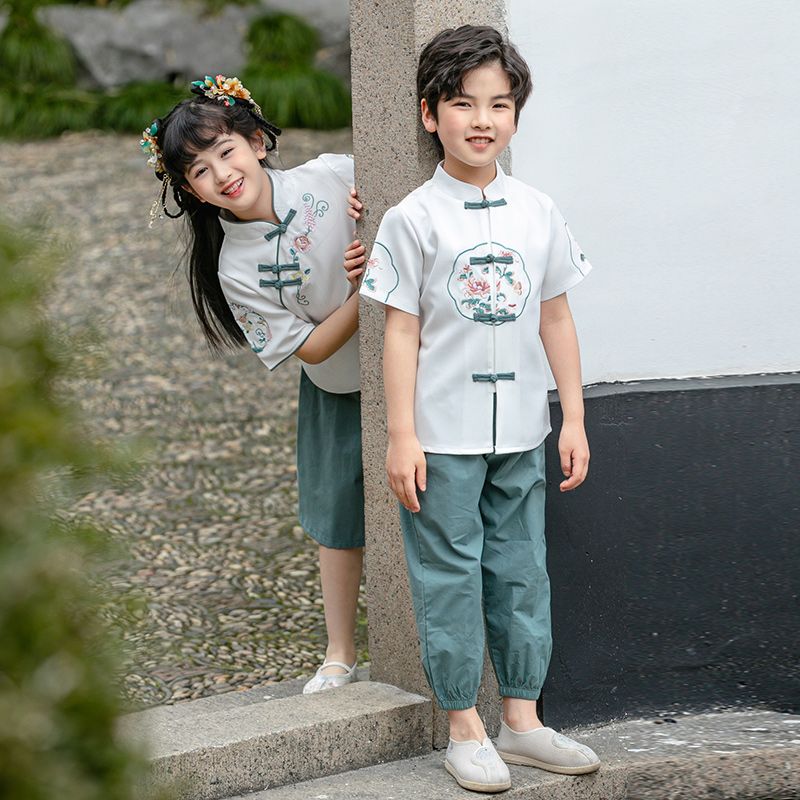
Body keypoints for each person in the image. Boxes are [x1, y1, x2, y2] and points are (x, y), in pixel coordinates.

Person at [358, 26, 601, 792]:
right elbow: (401, 331)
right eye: (462, 103)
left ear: (517, 116)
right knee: (448, 577)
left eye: (499, 103)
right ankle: (464, 725)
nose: (482, 118)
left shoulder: (537, 210)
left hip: (524, 429)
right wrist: (402, 436)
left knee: (523, 570)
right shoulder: (412, 219)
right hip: (441, 436)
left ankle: (522, 723)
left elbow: (556, 316)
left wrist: (575, 418)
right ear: (431, 115)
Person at [141, 75, 366, 694]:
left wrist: (373, 213)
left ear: (256, 141)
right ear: (191, 193)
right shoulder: (235, 268)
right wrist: (364, 290)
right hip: (336, 388)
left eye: (226, 151)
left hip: (415, 362)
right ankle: (339, 651)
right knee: (337, 520)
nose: (221, 172)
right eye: (200, 171)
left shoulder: (330, 174)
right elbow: (312, 346)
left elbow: (403, 202)